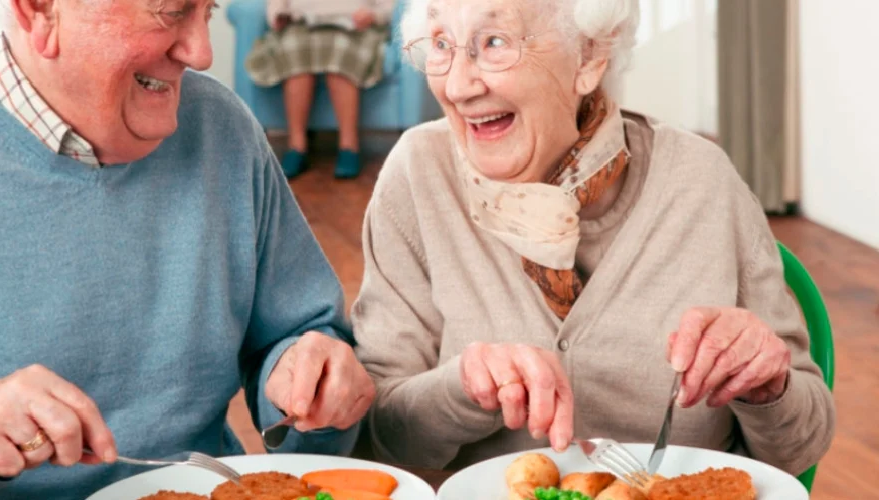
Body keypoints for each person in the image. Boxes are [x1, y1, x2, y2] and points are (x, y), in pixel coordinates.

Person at [0, 0, 376, 497]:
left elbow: (298, 333)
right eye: (170, 10)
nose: (201, 52)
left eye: (209, 10)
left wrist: (313, 379)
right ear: (38, 11)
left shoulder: (223, 128)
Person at [350, 0, 835, 477]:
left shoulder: (702, 180)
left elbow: (799, 445)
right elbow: (376, 438)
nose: (457, 86)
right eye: (440, 44)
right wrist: (460, 390)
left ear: (589, 56)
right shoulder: (418, 175)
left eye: (493, 42)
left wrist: (767, 388)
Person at [244, 0, 395, 179]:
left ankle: (349, 146)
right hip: (302, 25)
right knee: (295, 53)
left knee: (340, 54)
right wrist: (278, 16)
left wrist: (373, 15)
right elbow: (276, 6)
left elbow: (388, 7)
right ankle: (296, 146)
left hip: (354, 26)